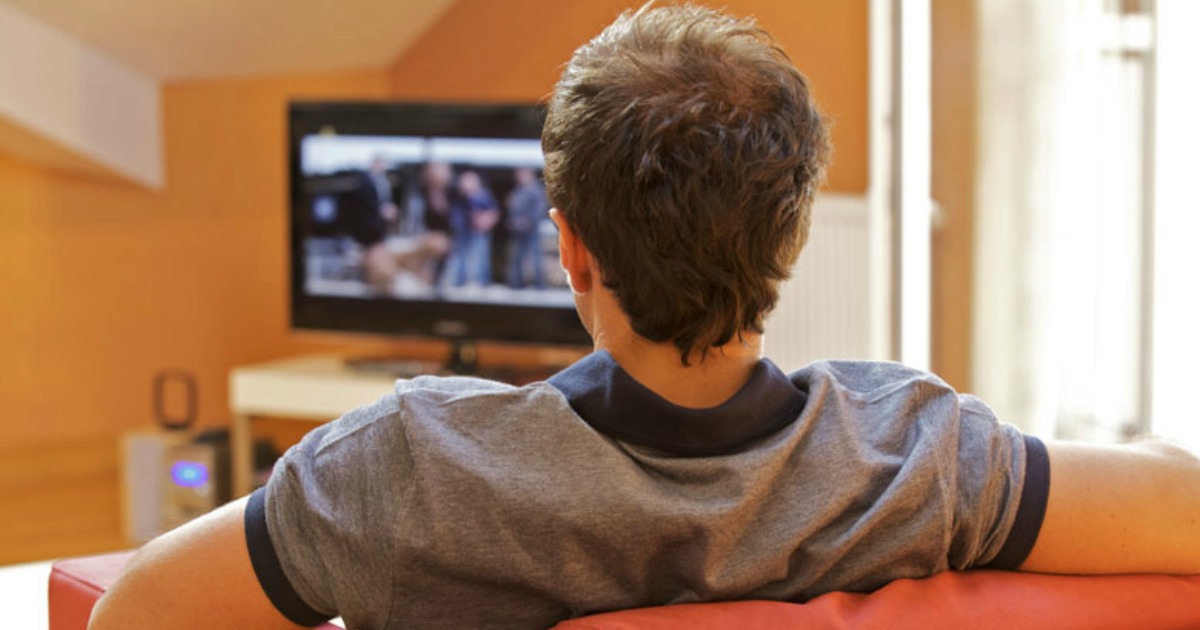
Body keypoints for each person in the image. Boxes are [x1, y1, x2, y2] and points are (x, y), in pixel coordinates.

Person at [90, 4, 1200, 630]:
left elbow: (132, 614)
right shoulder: (918, 459)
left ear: (571, 248)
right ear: (791, 238)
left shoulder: (403, 472)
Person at [506, 166, 549, 289]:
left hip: (531, 229)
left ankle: (539, 284)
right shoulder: (517, 191)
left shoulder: (535, 190)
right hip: (518, 230)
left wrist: (528, 221)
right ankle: (516, 283)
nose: (519, 178)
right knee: (517, 256)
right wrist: (513, 221)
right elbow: (513, 209)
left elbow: (539, 209)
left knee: (535, 256)